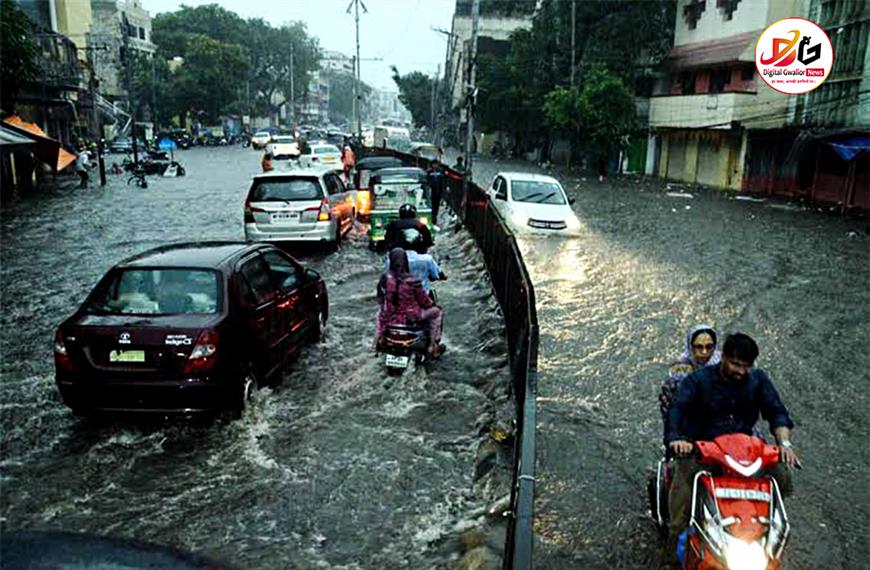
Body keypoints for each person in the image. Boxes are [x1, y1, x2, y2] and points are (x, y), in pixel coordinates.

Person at [665, 333, 799, 556]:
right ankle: (674, 540)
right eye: (736, 364)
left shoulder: (758, 380)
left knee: (781, 475)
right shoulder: (698, 380)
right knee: (686, 479)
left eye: (746, 366)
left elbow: (777, 413)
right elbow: (677, 409)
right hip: (702, 448)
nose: (741, 371)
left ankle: (769, 527)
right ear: (724, 358)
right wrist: (676, 439)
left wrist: (784, 443)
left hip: (744, 449)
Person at [375, 248, 444, 358]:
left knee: (379, 313)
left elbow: (380, 299)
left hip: (390, 316)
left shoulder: (384, 279)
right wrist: (432, 305)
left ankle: (377, 341)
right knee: (437, 312)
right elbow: (424, 301)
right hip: (412, 316)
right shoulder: (413, 281)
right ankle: (432, 345)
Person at [658, 325, 721, 433]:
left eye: (709, 347)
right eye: (699, 347)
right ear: (690, 347)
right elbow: (669, 407)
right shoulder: (678, 373)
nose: (704, 352)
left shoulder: (724, 365)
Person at [427, 162, 445, 230]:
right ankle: (431, 220)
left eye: (436, 164)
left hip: (438, 193)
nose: (435, 165)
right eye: (434, 164)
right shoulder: (429, 172)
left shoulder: (440, 172)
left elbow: (443, 182)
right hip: (430, 192)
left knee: (436, 207)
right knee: (431, 207)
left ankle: (434, 220)